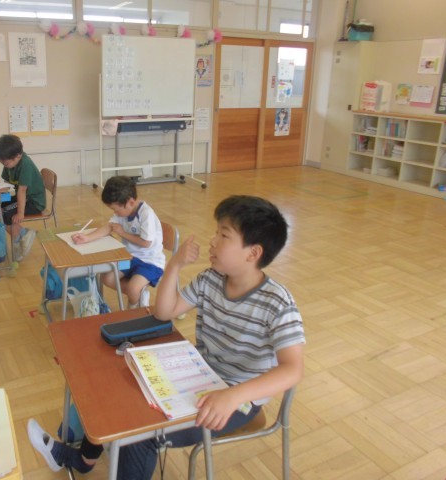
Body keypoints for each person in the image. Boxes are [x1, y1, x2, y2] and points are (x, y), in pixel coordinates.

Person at [27, 195, 305, 479]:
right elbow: (164, 312)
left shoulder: (277, 303)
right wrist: (174, 265)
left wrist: (233, 395)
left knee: (140, 434)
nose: (212, 241)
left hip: (237, 400)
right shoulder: (210, 279)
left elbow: (293, 369)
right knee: (119, 382)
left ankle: (96, 456)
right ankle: (84, 459)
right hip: (199, 376)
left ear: (253, 253)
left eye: (224, 235)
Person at [71, 175, 165, 308]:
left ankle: (134, 308)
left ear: (130, 202)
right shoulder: (124, 211)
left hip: (150, 262)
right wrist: (87, 237)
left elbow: (146, 243)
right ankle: (139, 293)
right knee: (107, 278)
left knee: (133, 288)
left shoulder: (146, 214)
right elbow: (110, 227)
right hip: (129, 258)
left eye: (116, 209)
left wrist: (122, 233)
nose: (115, 213)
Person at [0, 134, 46, 261]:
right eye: (2, 162)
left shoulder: (26, 164)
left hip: (34, 202)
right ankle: (23, 233)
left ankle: (17, 243)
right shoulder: (9, 163)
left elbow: (22, 190)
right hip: (23, 198)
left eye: (6, 162)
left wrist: (20, 213)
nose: (4, 164)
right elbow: (7, 185)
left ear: (18, 156)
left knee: (5, 214)